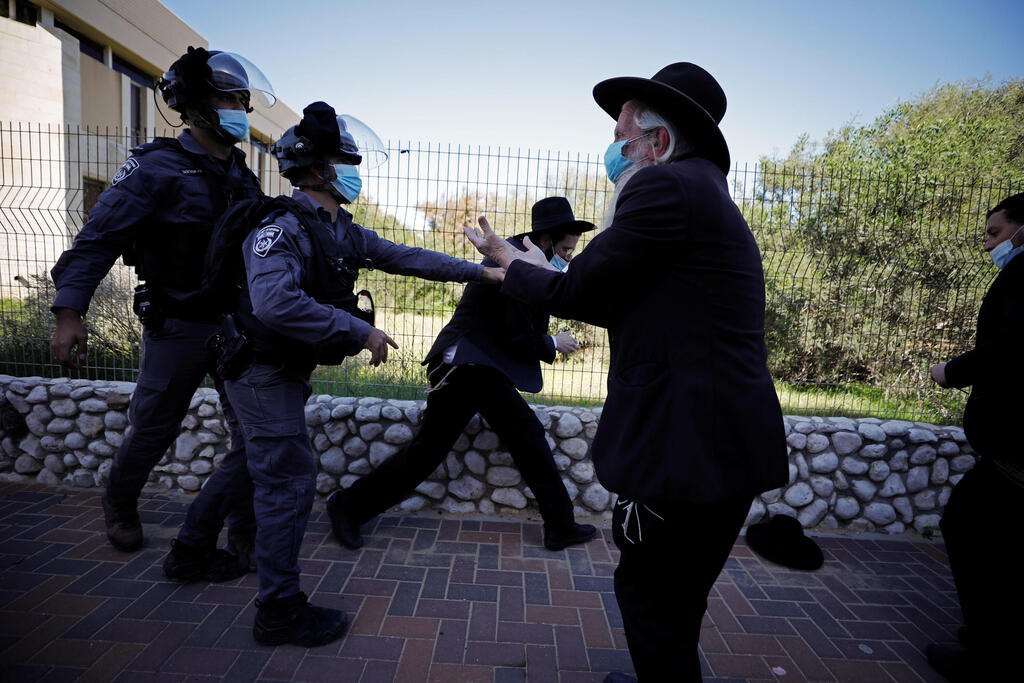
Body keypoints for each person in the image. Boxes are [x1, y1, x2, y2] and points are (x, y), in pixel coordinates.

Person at [464, 62, 789, 682]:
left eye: (622, 138)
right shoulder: (704, 193)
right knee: (675, 598)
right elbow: (609, 297)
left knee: (650, 596)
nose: (613, 152)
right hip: (720, 444)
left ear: (657, 143)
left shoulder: (663, 188)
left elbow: (583, 287)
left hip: (683, 448)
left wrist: (511, 262)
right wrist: (530, 271)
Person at [226, 101, 502, 646]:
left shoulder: (341, 231)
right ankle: (277, 610)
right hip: (258, 368)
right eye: (346, 160)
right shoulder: (282, 227)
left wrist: (484, 272)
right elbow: (274, 303)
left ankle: (191, 548)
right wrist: (361, 332)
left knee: (250, 465)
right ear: (321, 169)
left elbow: (409, 257)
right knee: (288, 480)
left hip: (281, 369)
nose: (354, 170)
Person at [49, 48, 274, 577]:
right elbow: (96, 242)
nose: (239, 107)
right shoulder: (155, 168)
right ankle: (120, 504)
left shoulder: (242, 174)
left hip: (235, 325)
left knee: (250, 431)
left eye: (242, 98)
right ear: (193, 107)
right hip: (178, 323)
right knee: (154, 427)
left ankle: (245, 526)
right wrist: (68, 314)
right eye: (227, 98)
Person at [326, 196, 598, 552]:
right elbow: (517, 334)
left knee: (511, 438)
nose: (568, 258)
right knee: (447, 449)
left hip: (479, 367)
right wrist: (553, 343)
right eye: (565, 249)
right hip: (467, 367)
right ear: (544, 240)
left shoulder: (521, 262)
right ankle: (345, 507)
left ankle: (560, 525)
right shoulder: (511, 264)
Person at [926, 193, 1024, 681]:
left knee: (968, 526)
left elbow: (1010, 349)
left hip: (1017, 448)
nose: (990, 247)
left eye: (996, 233)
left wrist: (952, 371)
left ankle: (988, 652)